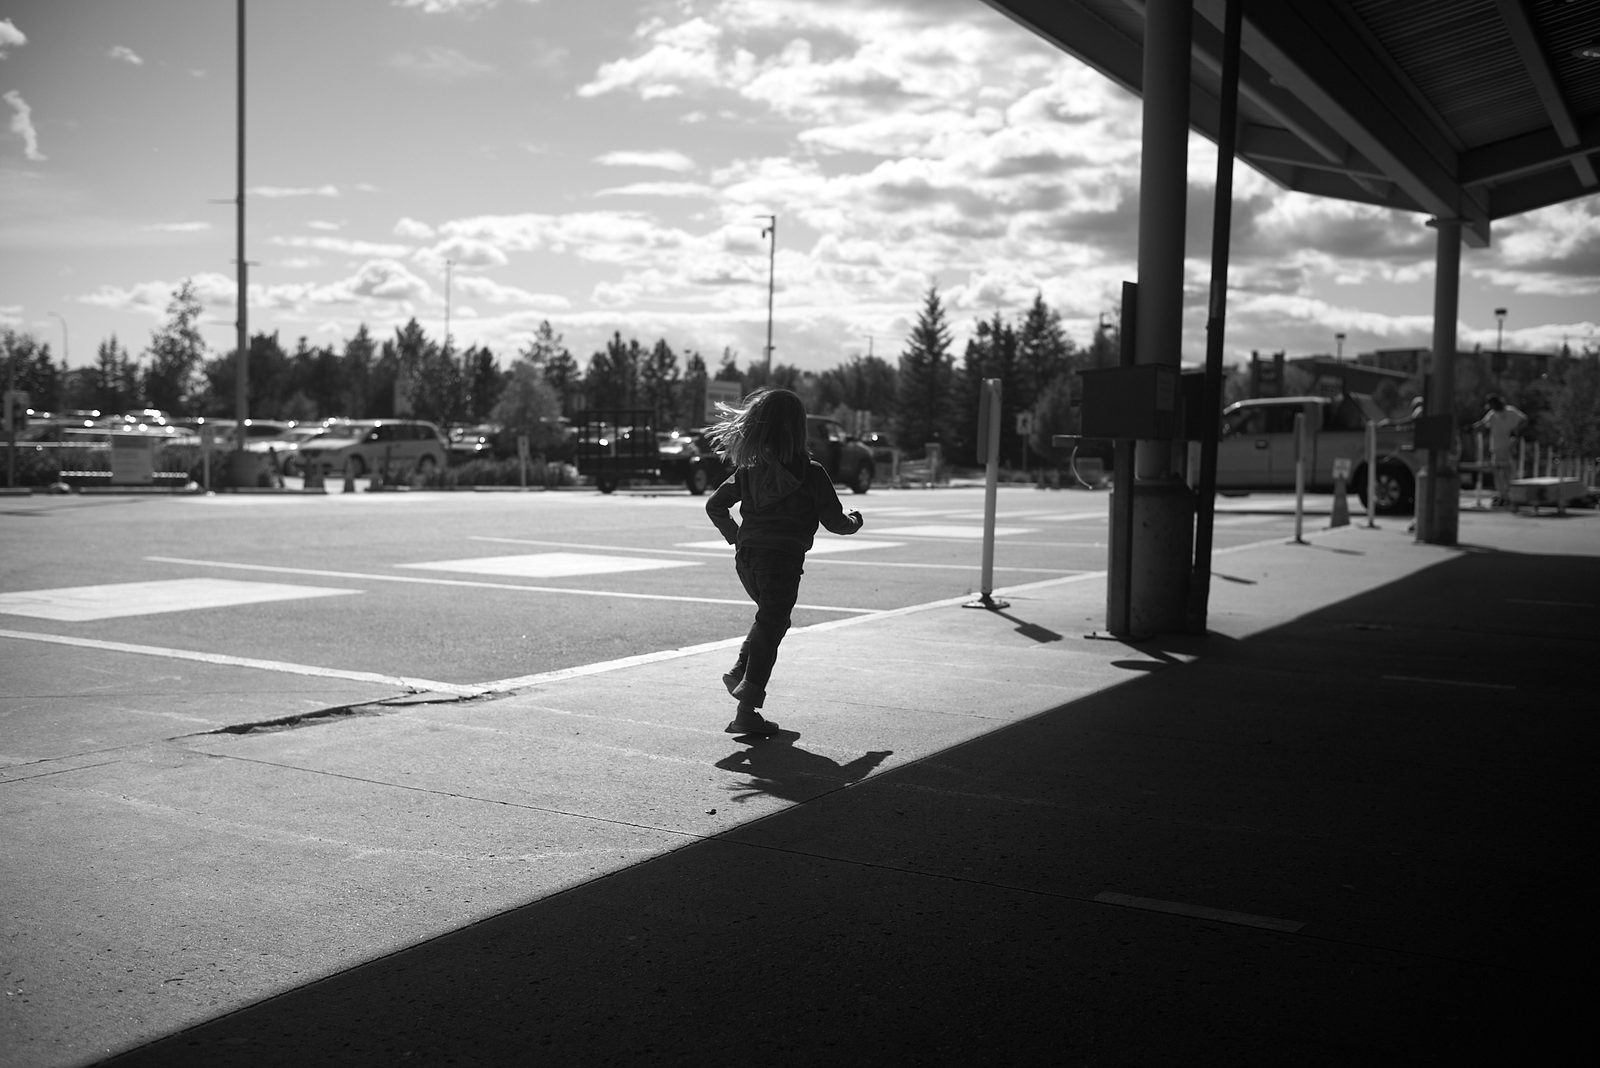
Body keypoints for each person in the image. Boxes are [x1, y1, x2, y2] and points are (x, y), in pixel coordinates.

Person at [705, 388, 864, 737]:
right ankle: (746, 710)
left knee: (770, 620)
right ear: (798, 428)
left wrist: (736, 537)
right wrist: (856, 520)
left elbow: (714, 506)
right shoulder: (811, 473)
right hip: (782, 560)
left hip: (747, 560)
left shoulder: (749, 471)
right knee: (773, 623)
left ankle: (739, 671)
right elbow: (835, 522)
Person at [1470, 393, 1527, 506]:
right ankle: (1503, 496)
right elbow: (1483, 423)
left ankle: (1511, 496)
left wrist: (1516, 431)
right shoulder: (1492, 414)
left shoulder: (1511, 411)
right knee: (1498, 474)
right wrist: (1471, 428)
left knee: (1508, 473)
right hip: (1496, 448)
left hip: (1509, 447)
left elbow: (1524, 420)